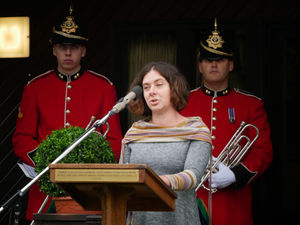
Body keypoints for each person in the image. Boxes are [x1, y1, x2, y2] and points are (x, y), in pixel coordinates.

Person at [12, 6, 123, 221]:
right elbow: (22, 138)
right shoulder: (35, 88)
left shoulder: (103, 87)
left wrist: (88, 168)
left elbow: (114, 141)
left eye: (75, 46)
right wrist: (45, 163)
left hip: (89, 190)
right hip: (45, 188)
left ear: (84, 51)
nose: (68, 52)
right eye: (63, 46)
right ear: (54, 50)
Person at [180, 19, 273, 225]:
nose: (214, 64)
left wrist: (234, 174)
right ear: (200, 66)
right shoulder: (183, 103)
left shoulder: (251, 104)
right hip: (192, 201)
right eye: (208, 59)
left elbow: (263, 150)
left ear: (230, 65)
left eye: (220, 59)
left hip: (233, 206)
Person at [120, 61, 211, 225]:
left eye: (159, 85)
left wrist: (156, 182)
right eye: (146, 87)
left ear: (174, 87)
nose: (151, 92)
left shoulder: (196, 129)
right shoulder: (135, 132)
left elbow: (193, 176)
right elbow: (122, 178)